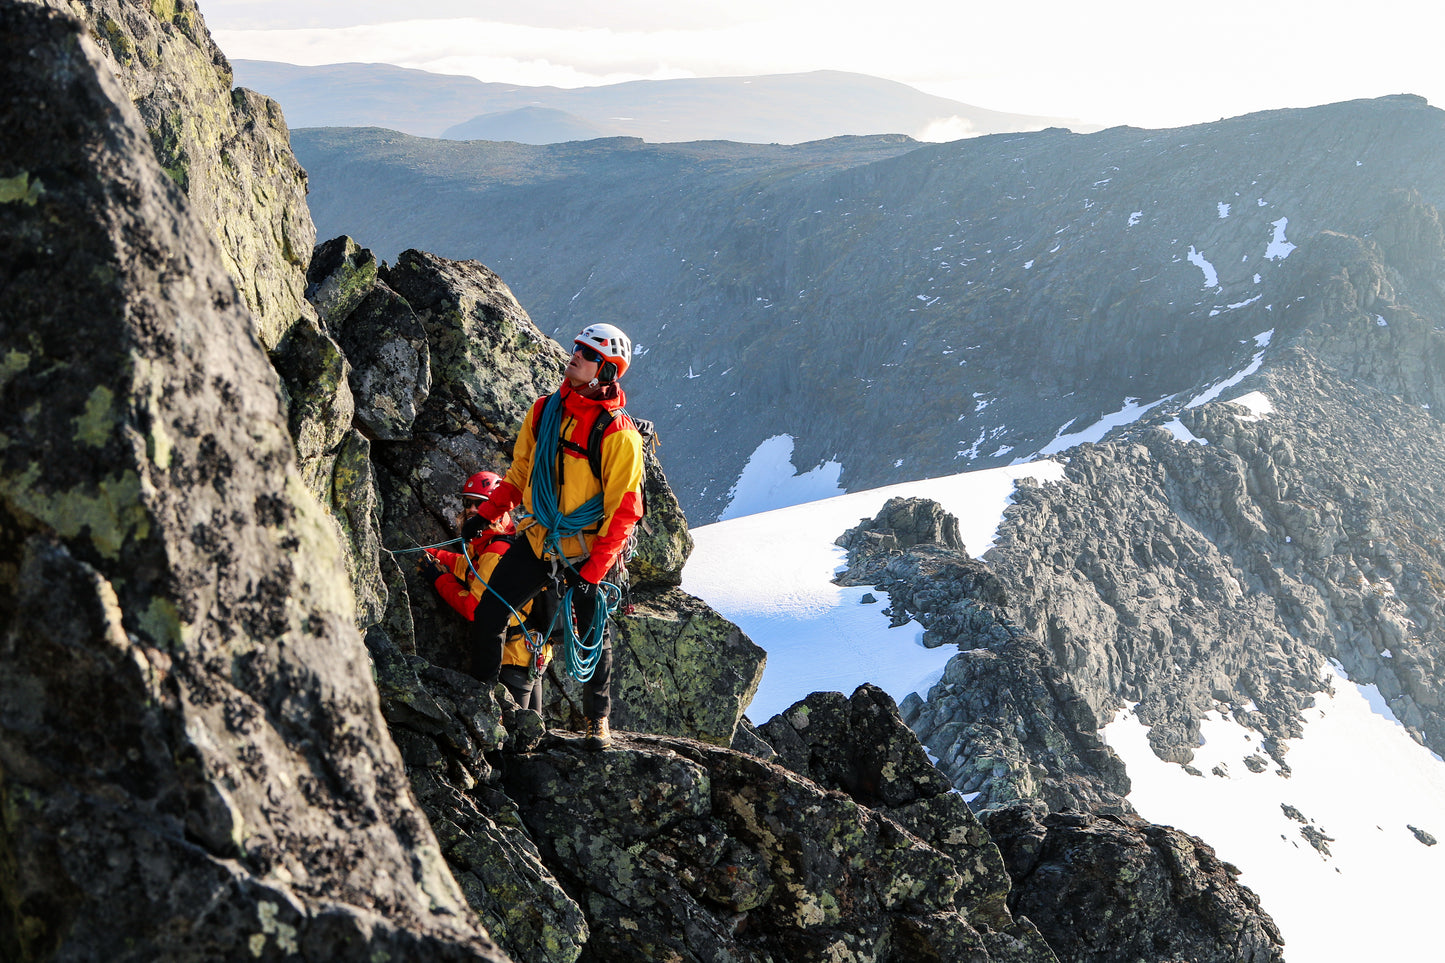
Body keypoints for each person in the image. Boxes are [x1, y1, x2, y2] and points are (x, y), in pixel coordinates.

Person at [468, 323, 645, 750]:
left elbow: (624, 511)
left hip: (585, 552)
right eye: (577, 348)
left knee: (591, 636)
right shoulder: (545, 410)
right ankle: (480, 700)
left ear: (606, 371)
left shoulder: (618, 433)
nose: (575, 355)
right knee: (490, 613)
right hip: (538, 539)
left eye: (587, 353)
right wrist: (489, 514)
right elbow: (521, 473)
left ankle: (596, 721)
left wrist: (594, 572)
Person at [418, 471, 554, 713]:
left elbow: (474, 610)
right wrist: (436, 555)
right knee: (530, 732)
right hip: (530, 651)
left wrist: (439, 579)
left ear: (496, 507)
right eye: (467, 502)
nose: (471, 509)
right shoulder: (496, 541)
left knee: (511, 732)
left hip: (513, 656)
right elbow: (469, 567)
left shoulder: (496, 551)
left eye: (479, 503)